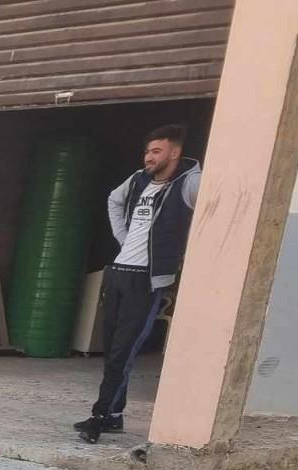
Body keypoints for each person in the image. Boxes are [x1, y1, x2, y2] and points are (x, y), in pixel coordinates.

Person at [75, 124, 203, 444]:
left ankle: (101, 415)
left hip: (147, 280)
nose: (148, 157)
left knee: (123, 351)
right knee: (111, 348)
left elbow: (211, 214)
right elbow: (113, 201)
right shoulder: (137, 180)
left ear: (174, 152)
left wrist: (182, 254)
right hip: (119, 272)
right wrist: (123, 238)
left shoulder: (190, 183)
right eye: (147, 151)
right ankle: (115, 414)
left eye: (156, 151)